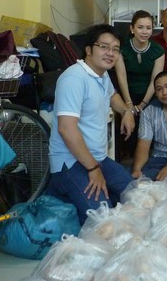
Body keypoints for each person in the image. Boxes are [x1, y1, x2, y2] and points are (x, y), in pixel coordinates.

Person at [47, 24, 135, 225]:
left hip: (97, 158)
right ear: (88, 49)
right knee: (103, 221)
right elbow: (66, 129)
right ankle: (63, 195)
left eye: (115, 49)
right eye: (104, 47)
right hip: (71, 163)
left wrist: (126, 111)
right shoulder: (74, 78)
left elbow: (112, 95)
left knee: (137, 196)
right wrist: (93, 169)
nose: (110, 53)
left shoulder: (102, 75)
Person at [115, 10, 165, 159]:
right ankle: (125, 156)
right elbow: (121, 76)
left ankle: (148, 156)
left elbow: (155, 80)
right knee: (125, 115)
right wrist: (129, 104)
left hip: (149, 94)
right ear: (132, 29)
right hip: (126, 92)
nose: (144, 32)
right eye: (140, 27)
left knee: (148, 117)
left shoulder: (158, 50)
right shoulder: (122, 47)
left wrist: (142, 105)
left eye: (148, 28)